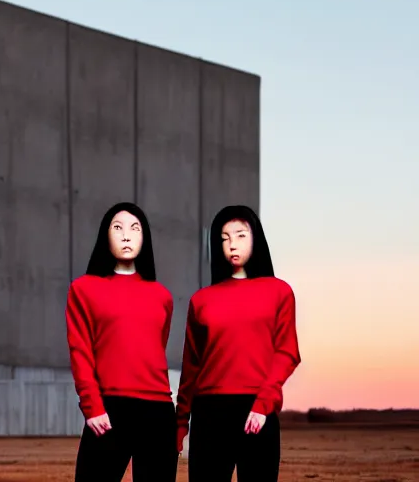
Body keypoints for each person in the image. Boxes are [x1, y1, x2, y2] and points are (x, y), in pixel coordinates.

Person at [175, 204, 301, 481]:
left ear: (256, 238)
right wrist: (180, 423)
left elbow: (287, 352)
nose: (232, 244)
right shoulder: (202, 300)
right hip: (208, 414)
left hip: (258, 410)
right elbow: (191, 366)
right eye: (224, 237)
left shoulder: (279, 292)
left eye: (240, 235)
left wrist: (262, 404)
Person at [65, 202, 179, 482]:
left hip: (159, 412)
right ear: (106, 236)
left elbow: (154, 348)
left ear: (145, 237)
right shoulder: (84, 289)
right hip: (109, 409)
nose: (126, 235)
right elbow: (80, 351)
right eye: (118, 228)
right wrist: (92, 406)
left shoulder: (161, 295)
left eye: (135, 228)